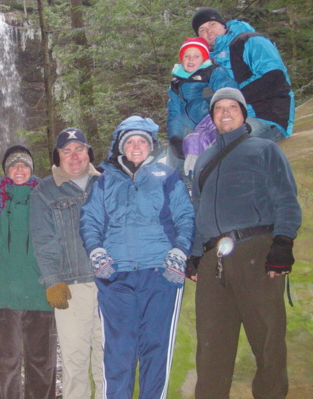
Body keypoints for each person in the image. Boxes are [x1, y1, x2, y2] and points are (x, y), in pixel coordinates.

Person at [186, 87, 302, 399]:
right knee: (211, 346)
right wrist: (195, 254)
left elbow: (286, 199)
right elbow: (198, 209)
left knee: (267, 339)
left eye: (232, 107)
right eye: (218, 108)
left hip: (256, 250)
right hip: (212, 261)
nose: (225, 112)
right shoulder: (204, 160)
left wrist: (282, 244)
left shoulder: (264, 149)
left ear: (243, 113)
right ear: (212, 116)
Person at [79, 116, 195, 399]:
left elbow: (185, 216)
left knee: (156, 349)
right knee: (118, 350)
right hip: (115, 276)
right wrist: (96, 250)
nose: (136, 146)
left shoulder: (167, 176)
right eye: (130, 141)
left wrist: (180, 251)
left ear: (151, 145)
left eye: (141, 141)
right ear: (121, 147)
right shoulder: (104, 181)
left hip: (161, 274)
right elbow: (90, 219)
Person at [30, 127, 104, 399]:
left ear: (88, 153)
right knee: (74, 362)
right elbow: (43, 241)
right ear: (57, 157)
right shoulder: (45, 191)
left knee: (109, 360)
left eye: (79, 149)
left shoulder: (107, 183)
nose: (74, 156)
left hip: (110, 284)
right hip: (72, 287)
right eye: (66, 151)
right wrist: (52, 281)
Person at [0, 145, 57, 399]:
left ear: (31, 169)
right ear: (6, 170)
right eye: (14, 165)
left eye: (24, 164)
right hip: (1, 293)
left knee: (42, 362)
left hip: (39, 291)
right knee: (4, 363)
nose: (19, 169)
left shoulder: (47, 198)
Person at [191, 7, 295, 142]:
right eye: (202, 30)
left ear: (223, 25)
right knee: (191, 141)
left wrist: (230, 99)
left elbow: (274, 76)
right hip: (228, 118)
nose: (209, 31)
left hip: (266, 116)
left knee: (223, 144)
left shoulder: (249, 41)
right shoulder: (207, 62)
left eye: (212, 24)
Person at [167, 36, 238, 179]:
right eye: (187, 56)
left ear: (204, 59)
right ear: (181, 59)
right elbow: (174, 113)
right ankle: (180, 185)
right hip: (188, 126)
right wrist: (174, 137)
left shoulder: (213, 72)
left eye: (196, 56)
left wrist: (210, 99)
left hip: (211, 123)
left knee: (214, 156)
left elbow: (230, 95)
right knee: (174, 159)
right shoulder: (176, 83)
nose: (191, 59)